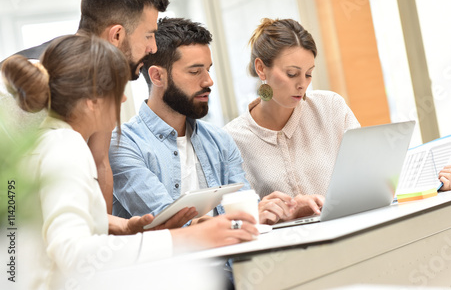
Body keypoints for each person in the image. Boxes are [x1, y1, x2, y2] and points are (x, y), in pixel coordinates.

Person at [1, 34, 258, 289]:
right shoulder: (67, 147)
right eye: (117, 90)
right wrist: (186, 237)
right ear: (92, 99)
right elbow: (74, 254)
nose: (123, 99)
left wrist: (121, 226)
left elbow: (46, 226)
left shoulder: (45, 144)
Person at [223, 18, 451, 222]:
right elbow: (236, 218)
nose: (302, 84)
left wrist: (433, 181)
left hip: (348, 239)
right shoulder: (232, 139)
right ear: (261, 69)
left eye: (308, 74)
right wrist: (281, 212)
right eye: (291, 73)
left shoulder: (330, 107)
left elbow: (375, 178)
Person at [0, 0, 169, 221]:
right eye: (149, 35)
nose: (153, 47)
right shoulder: (39, 81)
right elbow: (19, 195)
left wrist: (105, 241)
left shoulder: (106, 77)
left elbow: (100, 163)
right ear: (117, 35)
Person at [109, 17, 296, 225]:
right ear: (158, 77)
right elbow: (168, 222)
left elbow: (247, 209)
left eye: (208, 69)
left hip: (234, 257)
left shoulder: (219, 141)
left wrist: (289, 210)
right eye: (195, 71)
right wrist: (246, 216)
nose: (208, 81)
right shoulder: (122, 145)